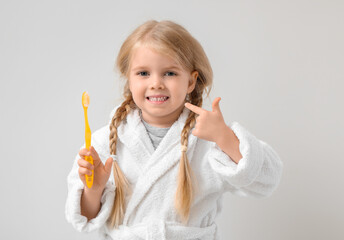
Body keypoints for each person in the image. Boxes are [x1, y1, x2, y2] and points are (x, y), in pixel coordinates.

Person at [65, 20, 283, 240]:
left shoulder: (208, 138)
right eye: (143, 73)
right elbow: (85, 219)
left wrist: (225, 138)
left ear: (191, 81)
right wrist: (93, 189)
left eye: (169, 73)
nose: (156, 83)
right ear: (128, 80)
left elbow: (267, 180)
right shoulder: (104, 142)